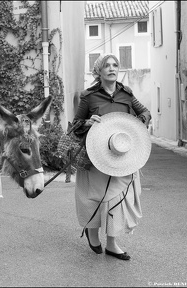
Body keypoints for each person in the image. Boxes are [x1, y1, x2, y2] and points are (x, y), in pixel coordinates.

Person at [71, 53, 151, 260]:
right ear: (99, 71)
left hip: (121, 156)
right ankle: (92, 230)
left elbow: (145, 113)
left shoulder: (126, 93)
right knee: (95, 197)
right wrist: (88, 122)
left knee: (117, 198)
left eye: (115, 65)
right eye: (106, 65)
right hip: (96, 155)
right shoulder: (89, 96)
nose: (112, 68)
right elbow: (75, 125)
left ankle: (113, 243)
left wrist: (138, 122)